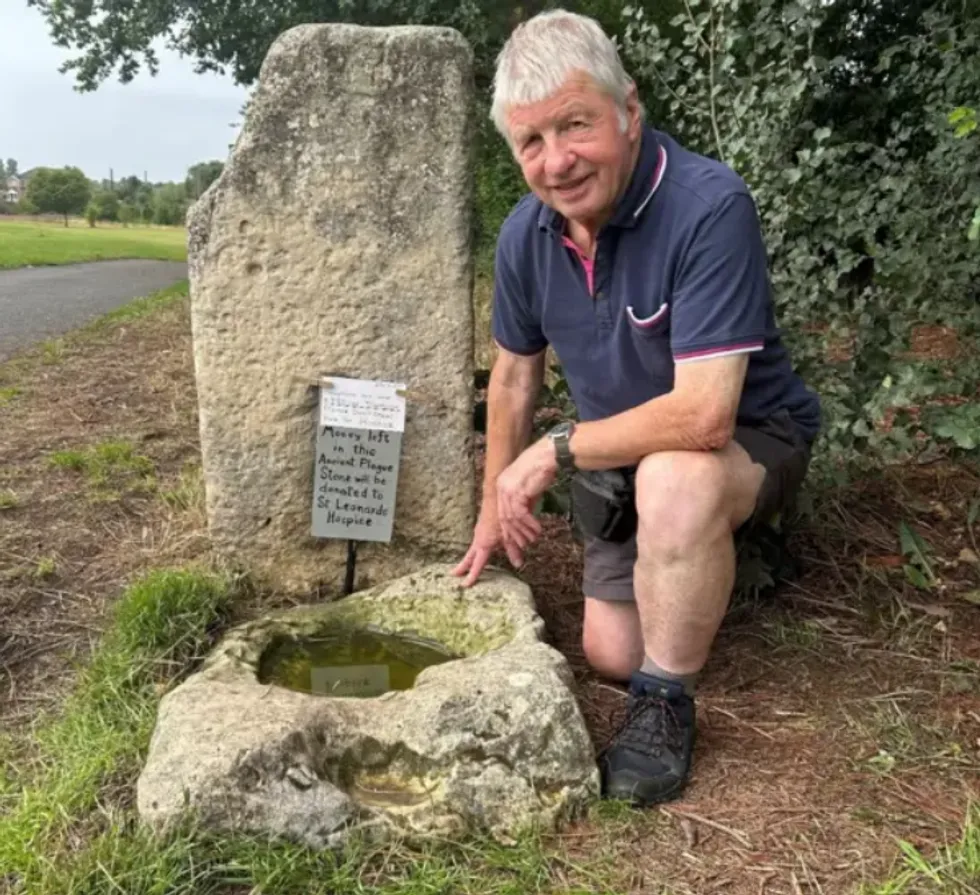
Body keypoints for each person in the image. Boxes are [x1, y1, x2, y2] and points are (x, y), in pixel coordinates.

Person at [452, 9, 821, 806]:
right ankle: (706, 568)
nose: (558, 161)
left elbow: (705, 417)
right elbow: (514, 377)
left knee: (675, 485)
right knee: (611, 650)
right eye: (531, 142)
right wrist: (491, 506)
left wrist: (555, 451)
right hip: (624, 455)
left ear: (629, 109)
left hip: (750, 436)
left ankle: (664, 706)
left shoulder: (709, 206)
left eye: (575, 125)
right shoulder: (525, 236)